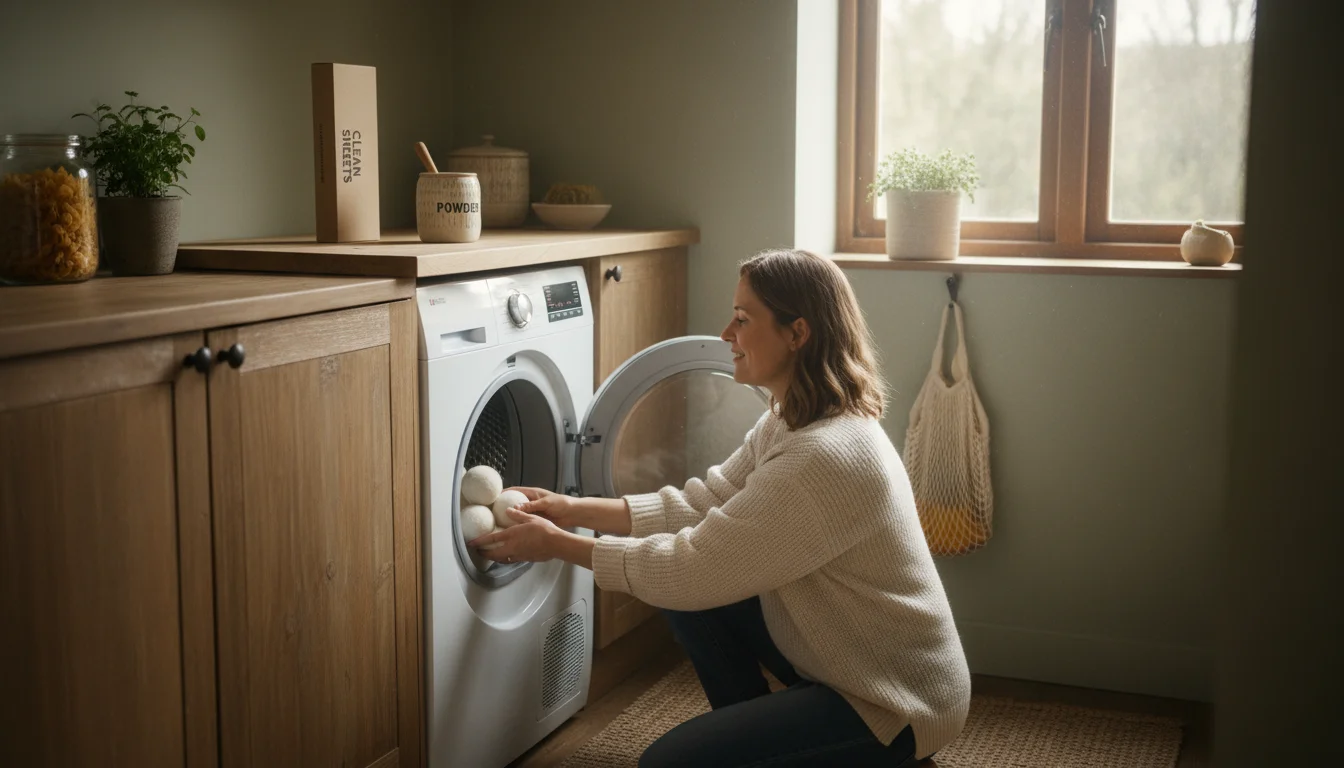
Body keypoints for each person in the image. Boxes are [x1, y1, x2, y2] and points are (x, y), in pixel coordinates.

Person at [470, 248, 970, 767]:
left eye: (742, 319)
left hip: (894, 700)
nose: (727, 333)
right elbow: (701, 503)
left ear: (797, 333)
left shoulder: (824, 458)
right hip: (845, 655)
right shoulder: (792, 419)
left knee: (666, 763)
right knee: (680, 587)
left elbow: (691, 567)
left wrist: (554, 545)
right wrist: (569, 509)